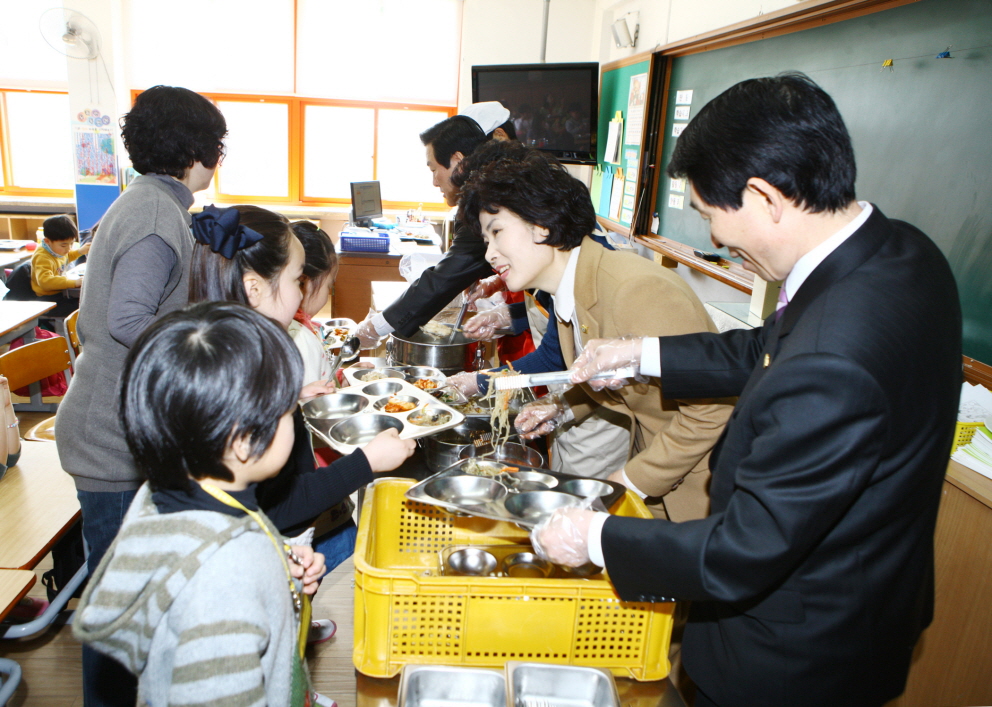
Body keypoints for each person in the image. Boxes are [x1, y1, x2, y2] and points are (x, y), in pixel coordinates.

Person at [537, 73, 962, 707]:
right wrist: (641, 352)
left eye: (711, 215)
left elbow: (744, 547)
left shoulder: (835, 358)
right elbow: (771, 346)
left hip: (792, 655)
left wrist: (593, 536)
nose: (713, 239)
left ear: (765, 196)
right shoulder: (899, 253)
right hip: (870, 601)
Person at [55, 85, 227, 707]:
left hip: (111, 419)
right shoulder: (157, 214)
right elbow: (131, 319)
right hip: (109, 433)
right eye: (217, 146)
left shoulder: (148, 201)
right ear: (198, 149)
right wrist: (204, 344)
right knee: (116, 608)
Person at [74, 301, 330, 707]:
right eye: (288, 409)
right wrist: (252, 569)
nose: (293, 417)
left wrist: (280, 568)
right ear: (243, 439)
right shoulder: (224, 576)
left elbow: (212, 547)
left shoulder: (176, 494)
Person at [457, 141, 733, 517]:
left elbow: (713, 409)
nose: (489, 254)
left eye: (497, 232)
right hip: (660, 466)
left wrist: (629, 481)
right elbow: (614, 382)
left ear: (541, 223)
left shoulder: (634, 289)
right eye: (486, 240)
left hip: (700, 487)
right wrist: (560, 407)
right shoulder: (570, 293)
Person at [188, 204, 414, 591]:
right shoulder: (249, 372)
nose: (302, 291)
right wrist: (367, 461)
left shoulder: (220, 352)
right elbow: (278, 503)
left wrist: (293, 396)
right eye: (296, 279)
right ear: (254, 288)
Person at [353, 104, 512, 348]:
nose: (434, 181)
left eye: (435, 169)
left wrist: (378, 326)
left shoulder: (492, 203)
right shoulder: (487, 197)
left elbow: (446, 277)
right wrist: (497, 281)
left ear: (460, 162)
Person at [288, 220, 339, 384]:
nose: (329, 293)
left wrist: (338, 376)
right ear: (304, 283)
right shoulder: (301, 338)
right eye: (329, 286)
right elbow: (316, 401)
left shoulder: (301, 328)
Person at [28, 214, 90, 316]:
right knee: (82, 307)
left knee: (85, 301)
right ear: (47, 241)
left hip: (60, 293)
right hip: (47, 300)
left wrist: (79, 251)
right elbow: (45, 282)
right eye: (64, 245)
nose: (68, 248)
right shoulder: (42, 257)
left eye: (72, 243)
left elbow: (66, 257)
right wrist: (74, 283)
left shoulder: (57, 251)